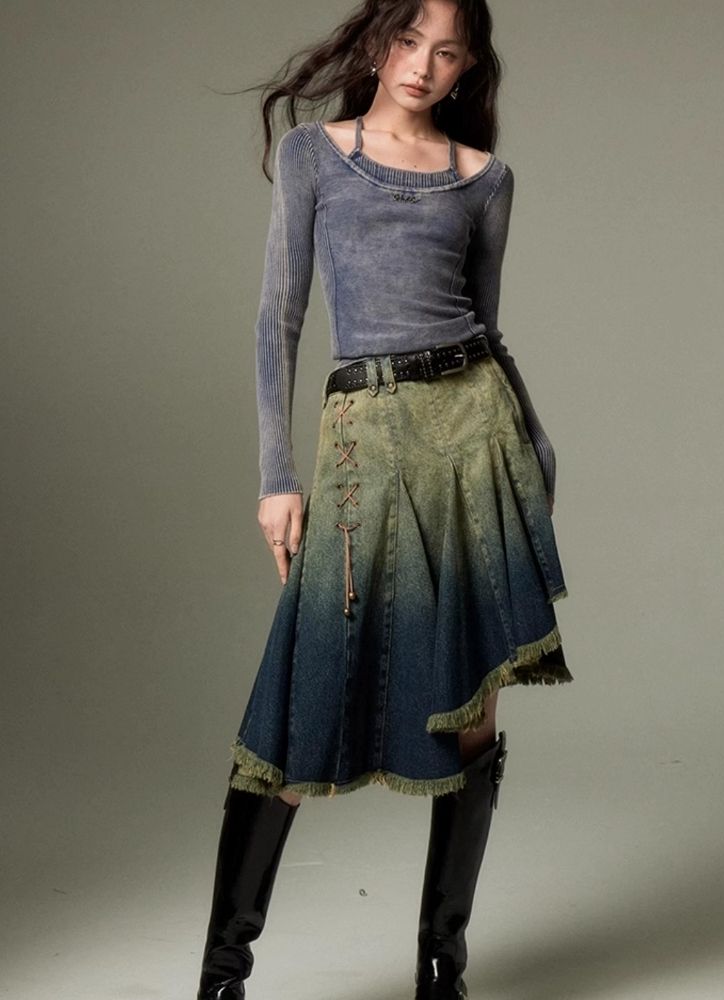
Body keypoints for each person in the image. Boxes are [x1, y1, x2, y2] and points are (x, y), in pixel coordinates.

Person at [196, 1, 573, 997]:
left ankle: (442, 969)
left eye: (446, 51)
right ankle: (222, 974)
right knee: (303, 698)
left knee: (474, 710)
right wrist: (277, 475)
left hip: (477, 440)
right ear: (376, 45)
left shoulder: (484, 179)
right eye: (408, 41)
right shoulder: (315, 157)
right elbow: (277, 318)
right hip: (363, 438)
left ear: (466, 67)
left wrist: (535, 451)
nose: (422, 64)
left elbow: (487, 330)